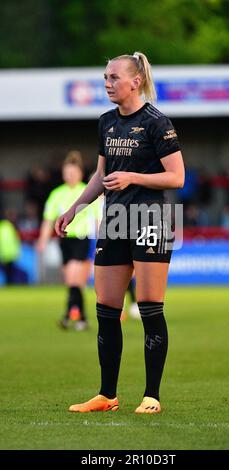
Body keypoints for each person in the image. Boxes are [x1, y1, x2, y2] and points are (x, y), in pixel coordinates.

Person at [55, 52, 185, 413]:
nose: (107, 83)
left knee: (148, 306)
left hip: (150, 217)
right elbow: (100, 176)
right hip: (114, 219)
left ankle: (152, 396)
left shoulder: (158, 123)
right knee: (106, 308)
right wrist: (74, 209)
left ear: (135, 81)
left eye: (114, 77)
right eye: (105, 77)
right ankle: (107, 395)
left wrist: (133, 178)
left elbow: (177, 177)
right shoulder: (106, 123)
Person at [37, 150, 97, 331]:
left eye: (73, 172)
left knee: (73, 279)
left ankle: (67, 317)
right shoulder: (57, 194)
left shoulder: (86, 192)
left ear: (80, 173)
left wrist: (103, 240)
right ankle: (81, 319)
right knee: (74, 283)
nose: (69, 176)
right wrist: (42, 240)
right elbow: (49, 219)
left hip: (82, 240)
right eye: (66, 173)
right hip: (64, 241)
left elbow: (97, 218)